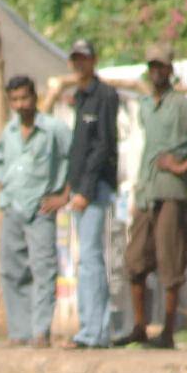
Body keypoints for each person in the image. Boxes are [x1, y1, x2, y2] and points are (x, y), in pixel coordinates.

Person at [122, 46, 187, 349]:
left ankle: (168, 332)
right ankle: (139, 326)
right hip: (146, 191)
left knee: (170, 262)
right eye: (152, 67)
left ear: (170, 70)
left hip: (172, 193)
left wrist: (183, 165)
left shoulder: (182, 106)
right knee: (135, 260)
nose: (157, 72)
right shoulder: (146, 106)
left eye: (161, 66)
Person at [0, 76, 71, 348]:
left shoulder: (54, 129)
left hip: (41, 208)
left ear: (35, 98)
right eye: (14, 99)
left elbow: (74, 160)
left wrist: (64, 196)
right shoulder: (9, 131)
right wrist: (4, 192)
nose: (20, 104)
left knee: (43, 269)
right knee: (13, 271)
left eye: (25, 98)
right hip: (13, 206)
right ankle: (19, 331)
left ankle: (40, 331)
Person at [58, 38, 121, 348]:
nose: (79, 63)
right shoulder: (80, 96)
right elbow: (78, 149)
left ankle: (92, 332)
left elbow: (103, 146)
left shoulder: (105, 95)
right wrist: (71, 186)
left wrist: (85, 189)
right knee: (87, 258)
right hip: (81, 188)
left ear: (94, 60)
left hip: (95, 188)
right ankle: (95, 329)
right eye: (75, 59)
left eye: (84, 58)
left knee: (91, 259)